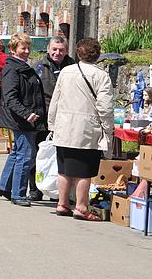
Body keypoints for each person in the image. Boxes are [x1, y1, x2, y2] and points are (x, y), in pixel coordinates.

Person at [48, 38, 114, 220]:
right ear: (97, 55)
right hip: (87, 128)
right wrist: (108, 129)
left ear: (78, 53)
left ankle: (62, 203)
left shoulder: (66, 72)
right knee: (85, 171)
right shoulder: (102, 76)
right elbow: (105, 107)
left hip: (64, 126)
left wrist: (52, 124)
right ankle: (81, 207)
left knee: (64, 169)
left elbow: (56, 99)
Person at [0, 32, 46, 207]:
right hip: (21, 119)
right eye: (23, 47)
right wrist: (26, 113)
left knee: (18, 152)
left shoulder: (21, 66)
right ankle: (18, 193)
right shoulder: (12, 69)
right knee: (25, 155)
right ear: (13, 49)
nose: (26, 51)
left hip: (24, 117)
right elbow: (10, 97)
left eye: (28, 47)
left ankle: (4, 187)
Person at [26, 36, 76, 200]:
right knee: (39, 154)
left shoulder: (73, 67)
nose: (57, 53)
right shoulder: (38, 67)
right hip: (42, 116)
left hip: (66, 118)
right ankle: (35, 189)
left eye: (61, 50)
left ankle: (58, 192)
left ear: (66, 51)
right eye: (54, 49)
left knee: (63, 157)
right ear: (48, 49)